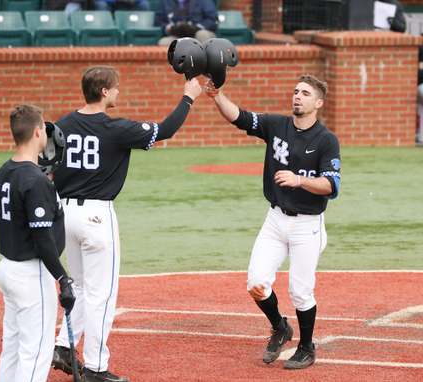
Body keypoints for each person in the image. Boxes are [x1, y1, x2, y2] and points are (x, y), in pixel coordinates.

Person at [49, 66, 201, 382]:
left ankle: (63, 346)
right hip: (97, 217)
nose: (119, 92)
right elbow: (165, 130)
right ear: (104, 92)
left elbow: (45, 167)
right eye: (116, 88)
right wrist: (188, 98)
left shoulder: (61, 124)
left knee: (77, 285)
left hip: (65, 214)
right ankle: (95, 367)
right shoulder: (115, 128)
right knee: (100, 293)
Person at [204, 74, 341, 369]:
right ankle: (280, 327)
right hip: (275, 219)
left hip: (308, 225)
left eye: (305, 93)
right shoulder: (277, 124)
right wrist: (217, 96)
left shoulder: (326, 140)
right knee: (256, 283)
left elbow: (331, 186)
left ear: (318, 103)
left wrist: (299, 180)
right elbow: (239, 117)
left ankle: (306, 347)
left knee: (301, 292)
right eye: (295, 91)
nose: (297, 96)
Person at [0, 104, 76, 382]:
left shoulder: (3, 171)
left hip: (8, 269)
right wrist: (62, 278)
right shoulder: (35, 180)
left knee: (13, 349)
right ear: (38, 131)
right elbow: (42, 239)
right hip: (30, 274)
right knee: (35, 352)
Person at [154, 0, 219, 46]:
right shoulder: (165, 1)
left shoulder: (204, 1)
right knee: (163, 42)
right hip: (178, 36)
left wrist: (199, 27)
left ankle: (203, 63)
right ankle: (180, 64)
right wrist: (169, 28)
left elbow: (213, 19)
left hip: (198, 34)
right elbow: (158, 20)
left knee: (202, 34)